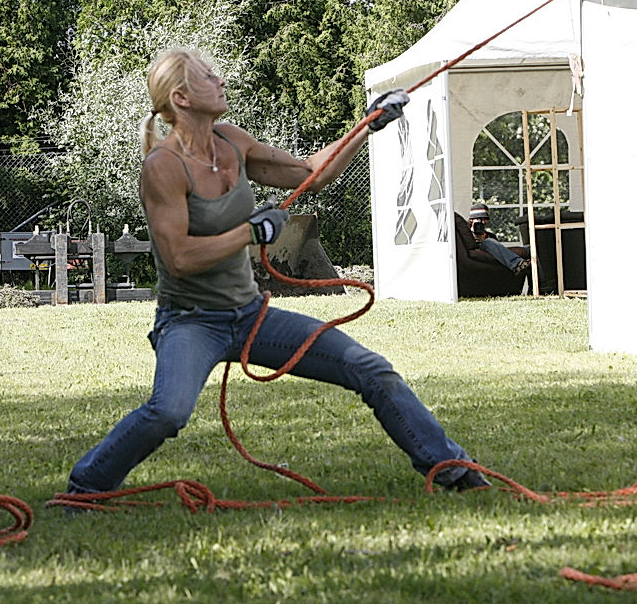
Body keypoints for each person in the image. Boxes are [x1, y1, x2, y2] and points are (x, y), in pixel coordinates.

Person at [65, 48, 488, 497]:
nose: (222, 80)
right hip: (190, 321)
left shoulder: (231, 142)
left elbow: (310, 172)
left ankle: (452, 469)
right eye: (210, 76)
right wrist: (249, 232)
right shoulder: (163, 167)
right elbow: (179, 259)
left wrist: (366, 127)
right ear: (182, 98)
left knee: (370, 368)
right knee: (169, 412)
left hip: (250, 316)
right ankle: (86, 485)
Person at [467, 203, 531, 277]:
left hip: (494, 260)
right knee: (488, 242)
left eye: (485, 219)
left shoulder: (490, 236)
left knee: (529, 248)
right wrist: (474, 236)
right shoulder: (466, 233)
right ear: (471, 220)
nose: (483, 222)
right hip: (479, 257)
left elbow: (499, 250)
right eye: (479, 219)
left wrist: (485, 237)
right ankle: (517, 264)